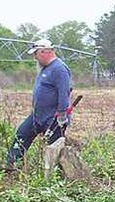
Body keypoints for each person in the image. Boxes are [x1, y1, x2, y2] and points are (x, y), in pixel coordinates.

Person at [6, 39, 71, 170]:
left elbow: (64, 93)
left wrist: (62, 116)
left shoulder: (59, 69)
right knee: (21, 135)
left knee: (54, 147)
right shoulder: (44, 68)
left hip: (53, 118)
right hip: (37, 115)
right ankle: (11, 166)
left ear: (44, 52)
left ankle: (56, 174)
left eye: (35, 54)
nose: (34, 57)